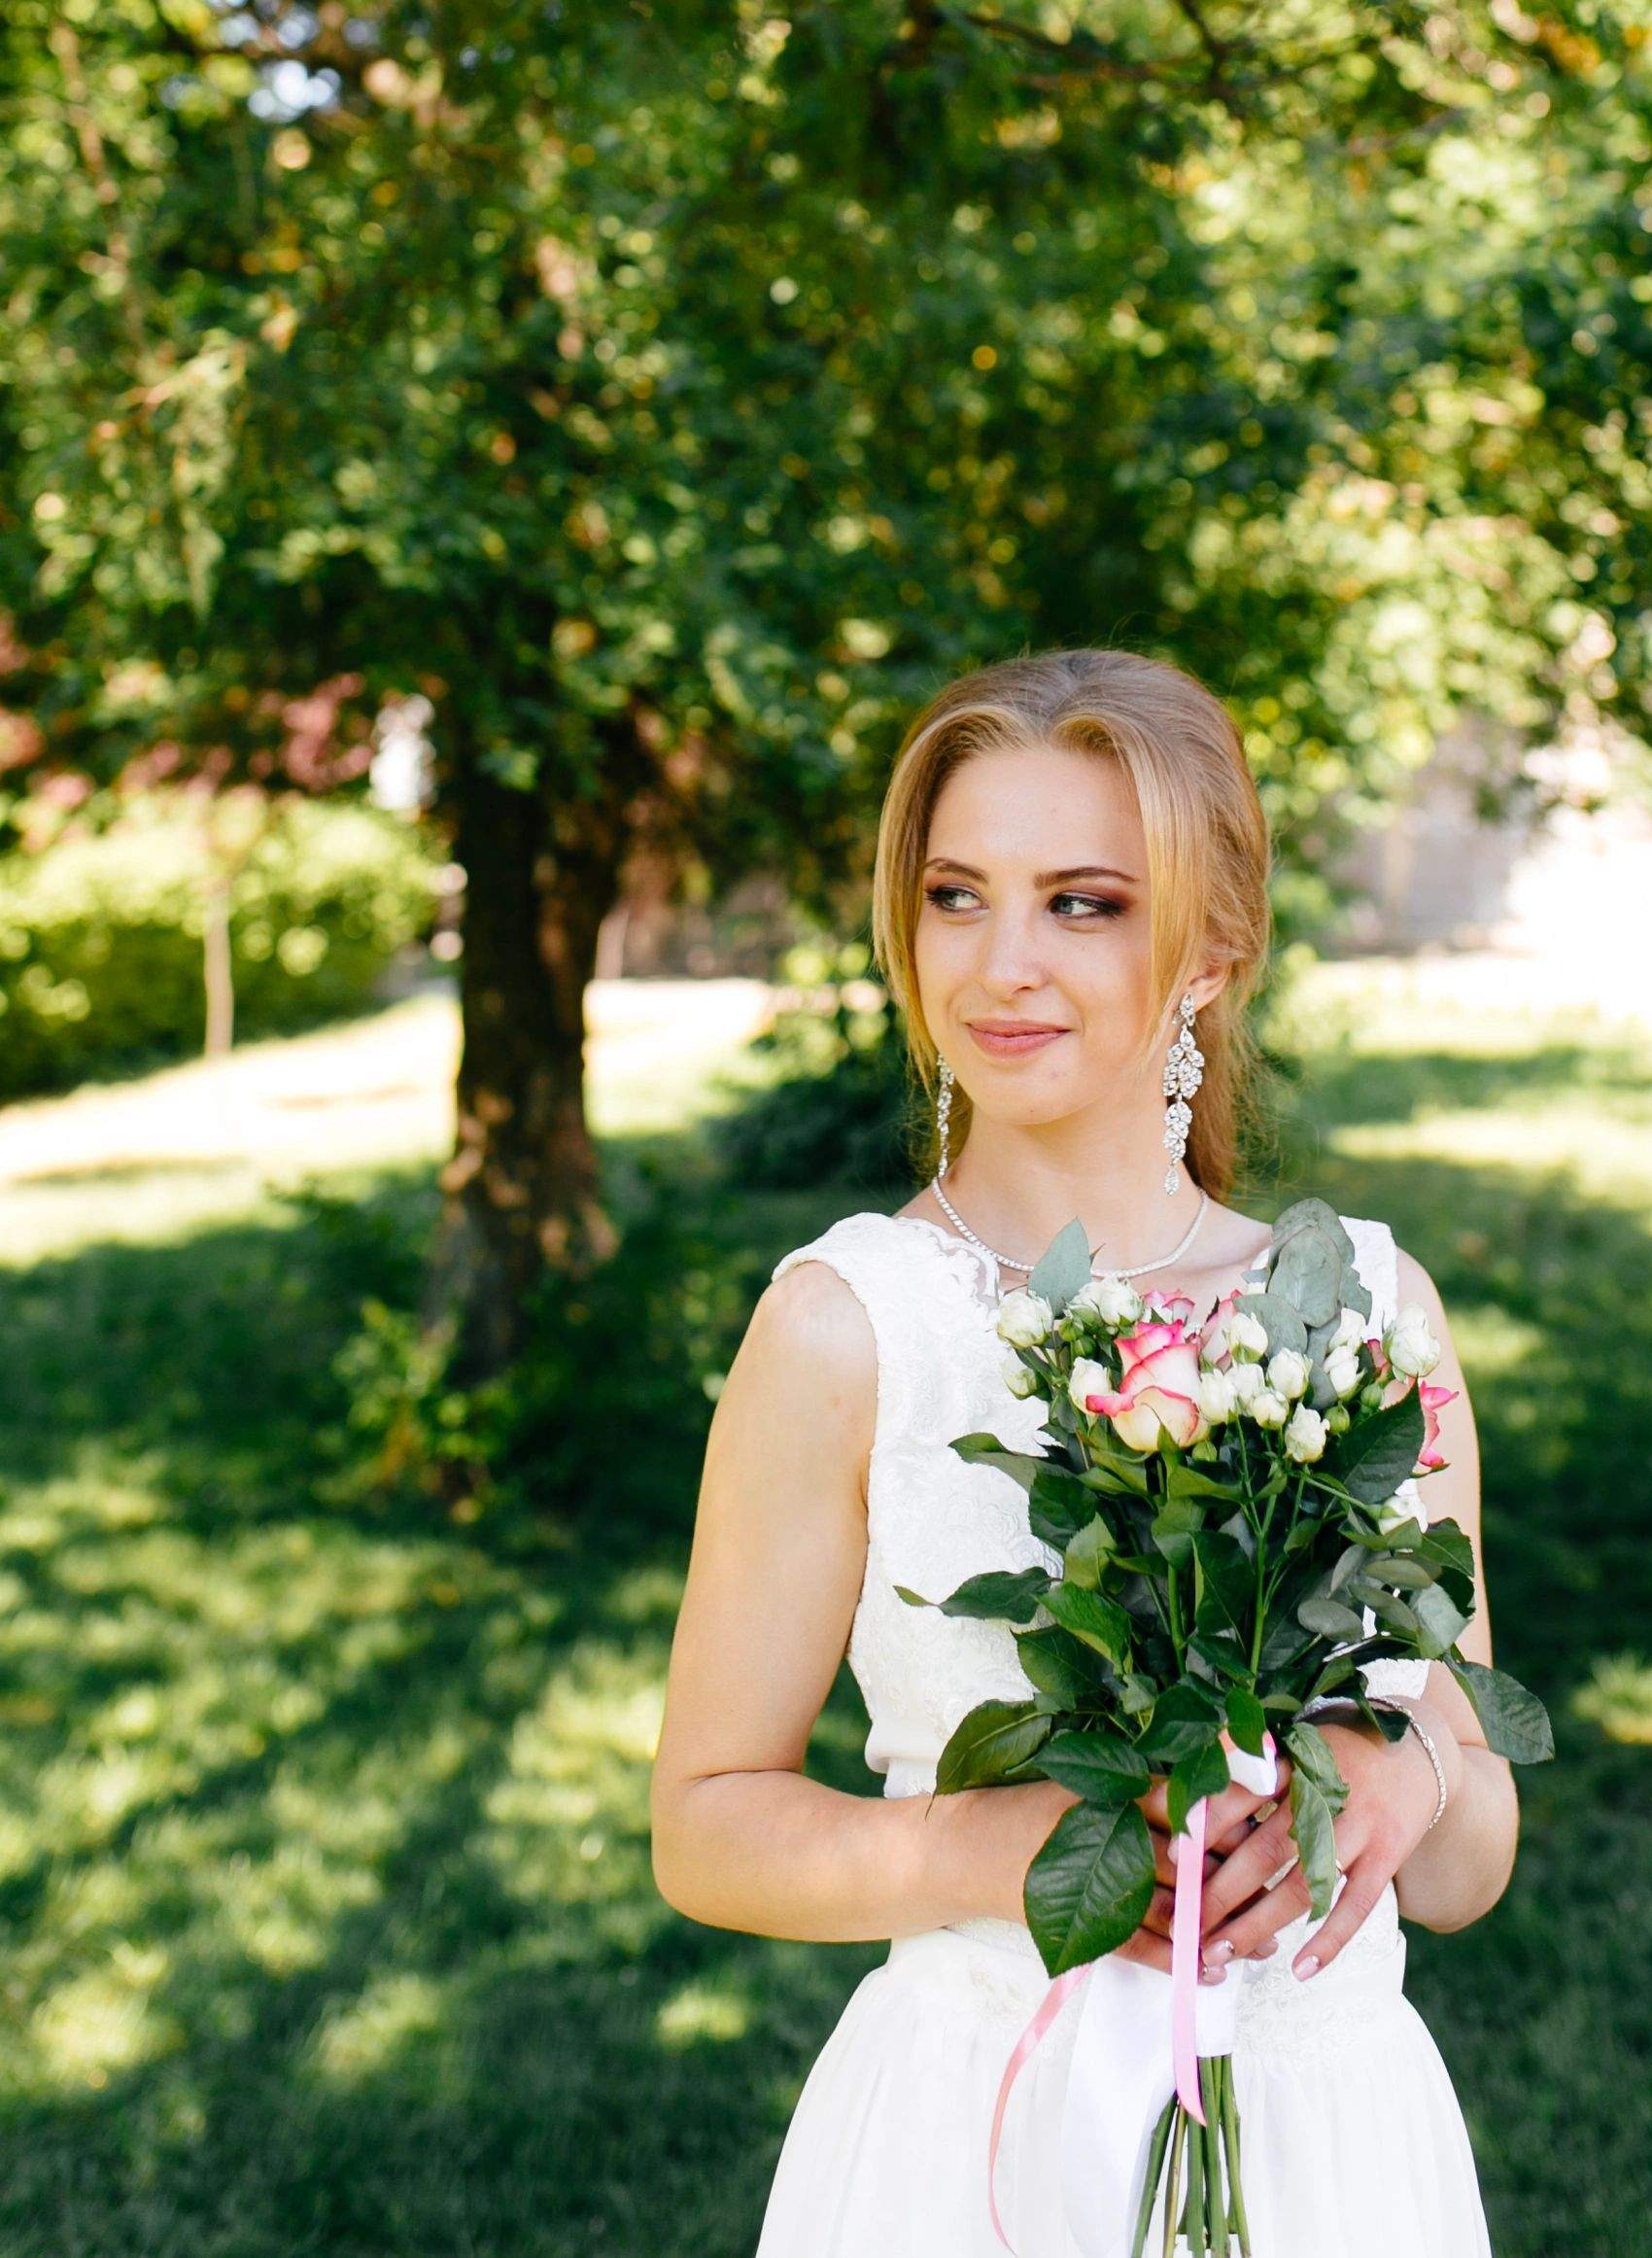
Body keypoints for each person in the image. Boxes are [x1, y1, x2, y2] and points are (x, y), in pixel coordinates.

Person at [651, 648, 1520, 2255]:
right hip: (980, 2133)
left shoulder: (1371, 1320)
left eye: (1086, 903)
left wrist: (1409, 1768)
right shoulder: (851, 1329)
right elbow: (705, 1826)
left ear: (1214, 945)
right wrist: (999, 1848)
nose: (1002, 966)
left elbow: (1468, 1873)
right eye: (957, 895)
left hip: (1331, 2140)